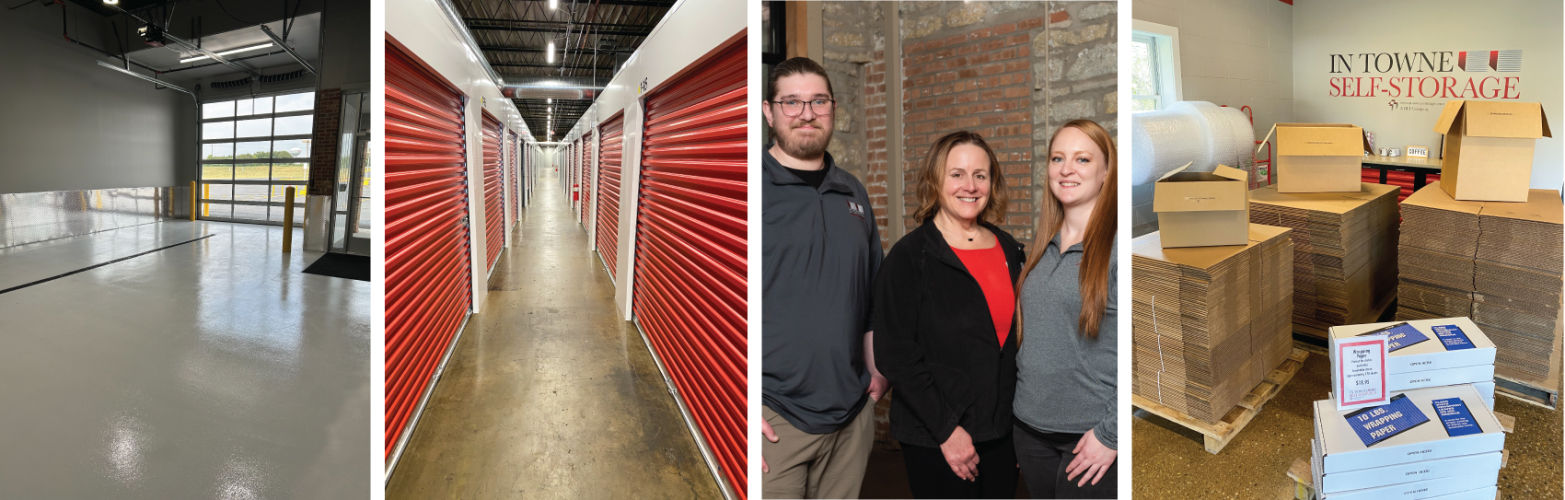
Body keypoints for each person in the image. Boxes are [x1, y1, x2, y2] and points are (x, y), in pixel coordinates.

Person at [761, 56, 887, 499]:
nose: (806, 113)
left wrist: (877, 376)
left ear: (833, 108)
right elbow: (700, 302)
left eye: (818, 101)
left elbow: (871, 296)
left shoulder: (852, 192)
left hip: (851, 417)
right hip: (772, 418)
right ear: (768, 111)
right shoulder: (749, 189)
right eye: (791, 102)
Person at [873, 131, 1025, 498]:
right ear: (935, 181)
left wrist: (1021, 430)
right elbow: (895, 355)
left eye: (980, 175)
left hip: (1002, 434)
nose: (969, 186)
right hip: (937, 437)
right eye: (956, 174)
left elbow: (1012, 346)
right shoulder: (910, 258)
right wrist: (947, 431)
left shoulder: (1008, 249)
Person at [1012, 119, 1119, 498]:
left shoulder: (1116, 251)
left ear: (1106, 172)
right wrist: (1020, 428)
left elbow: (1139, 352)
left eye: (1083, 159)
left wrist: (1112, 434)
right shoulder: (1042, 247)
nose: (1066, 169)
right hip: (1030, 432)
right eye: (1058, 158)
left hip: (1089, 439)